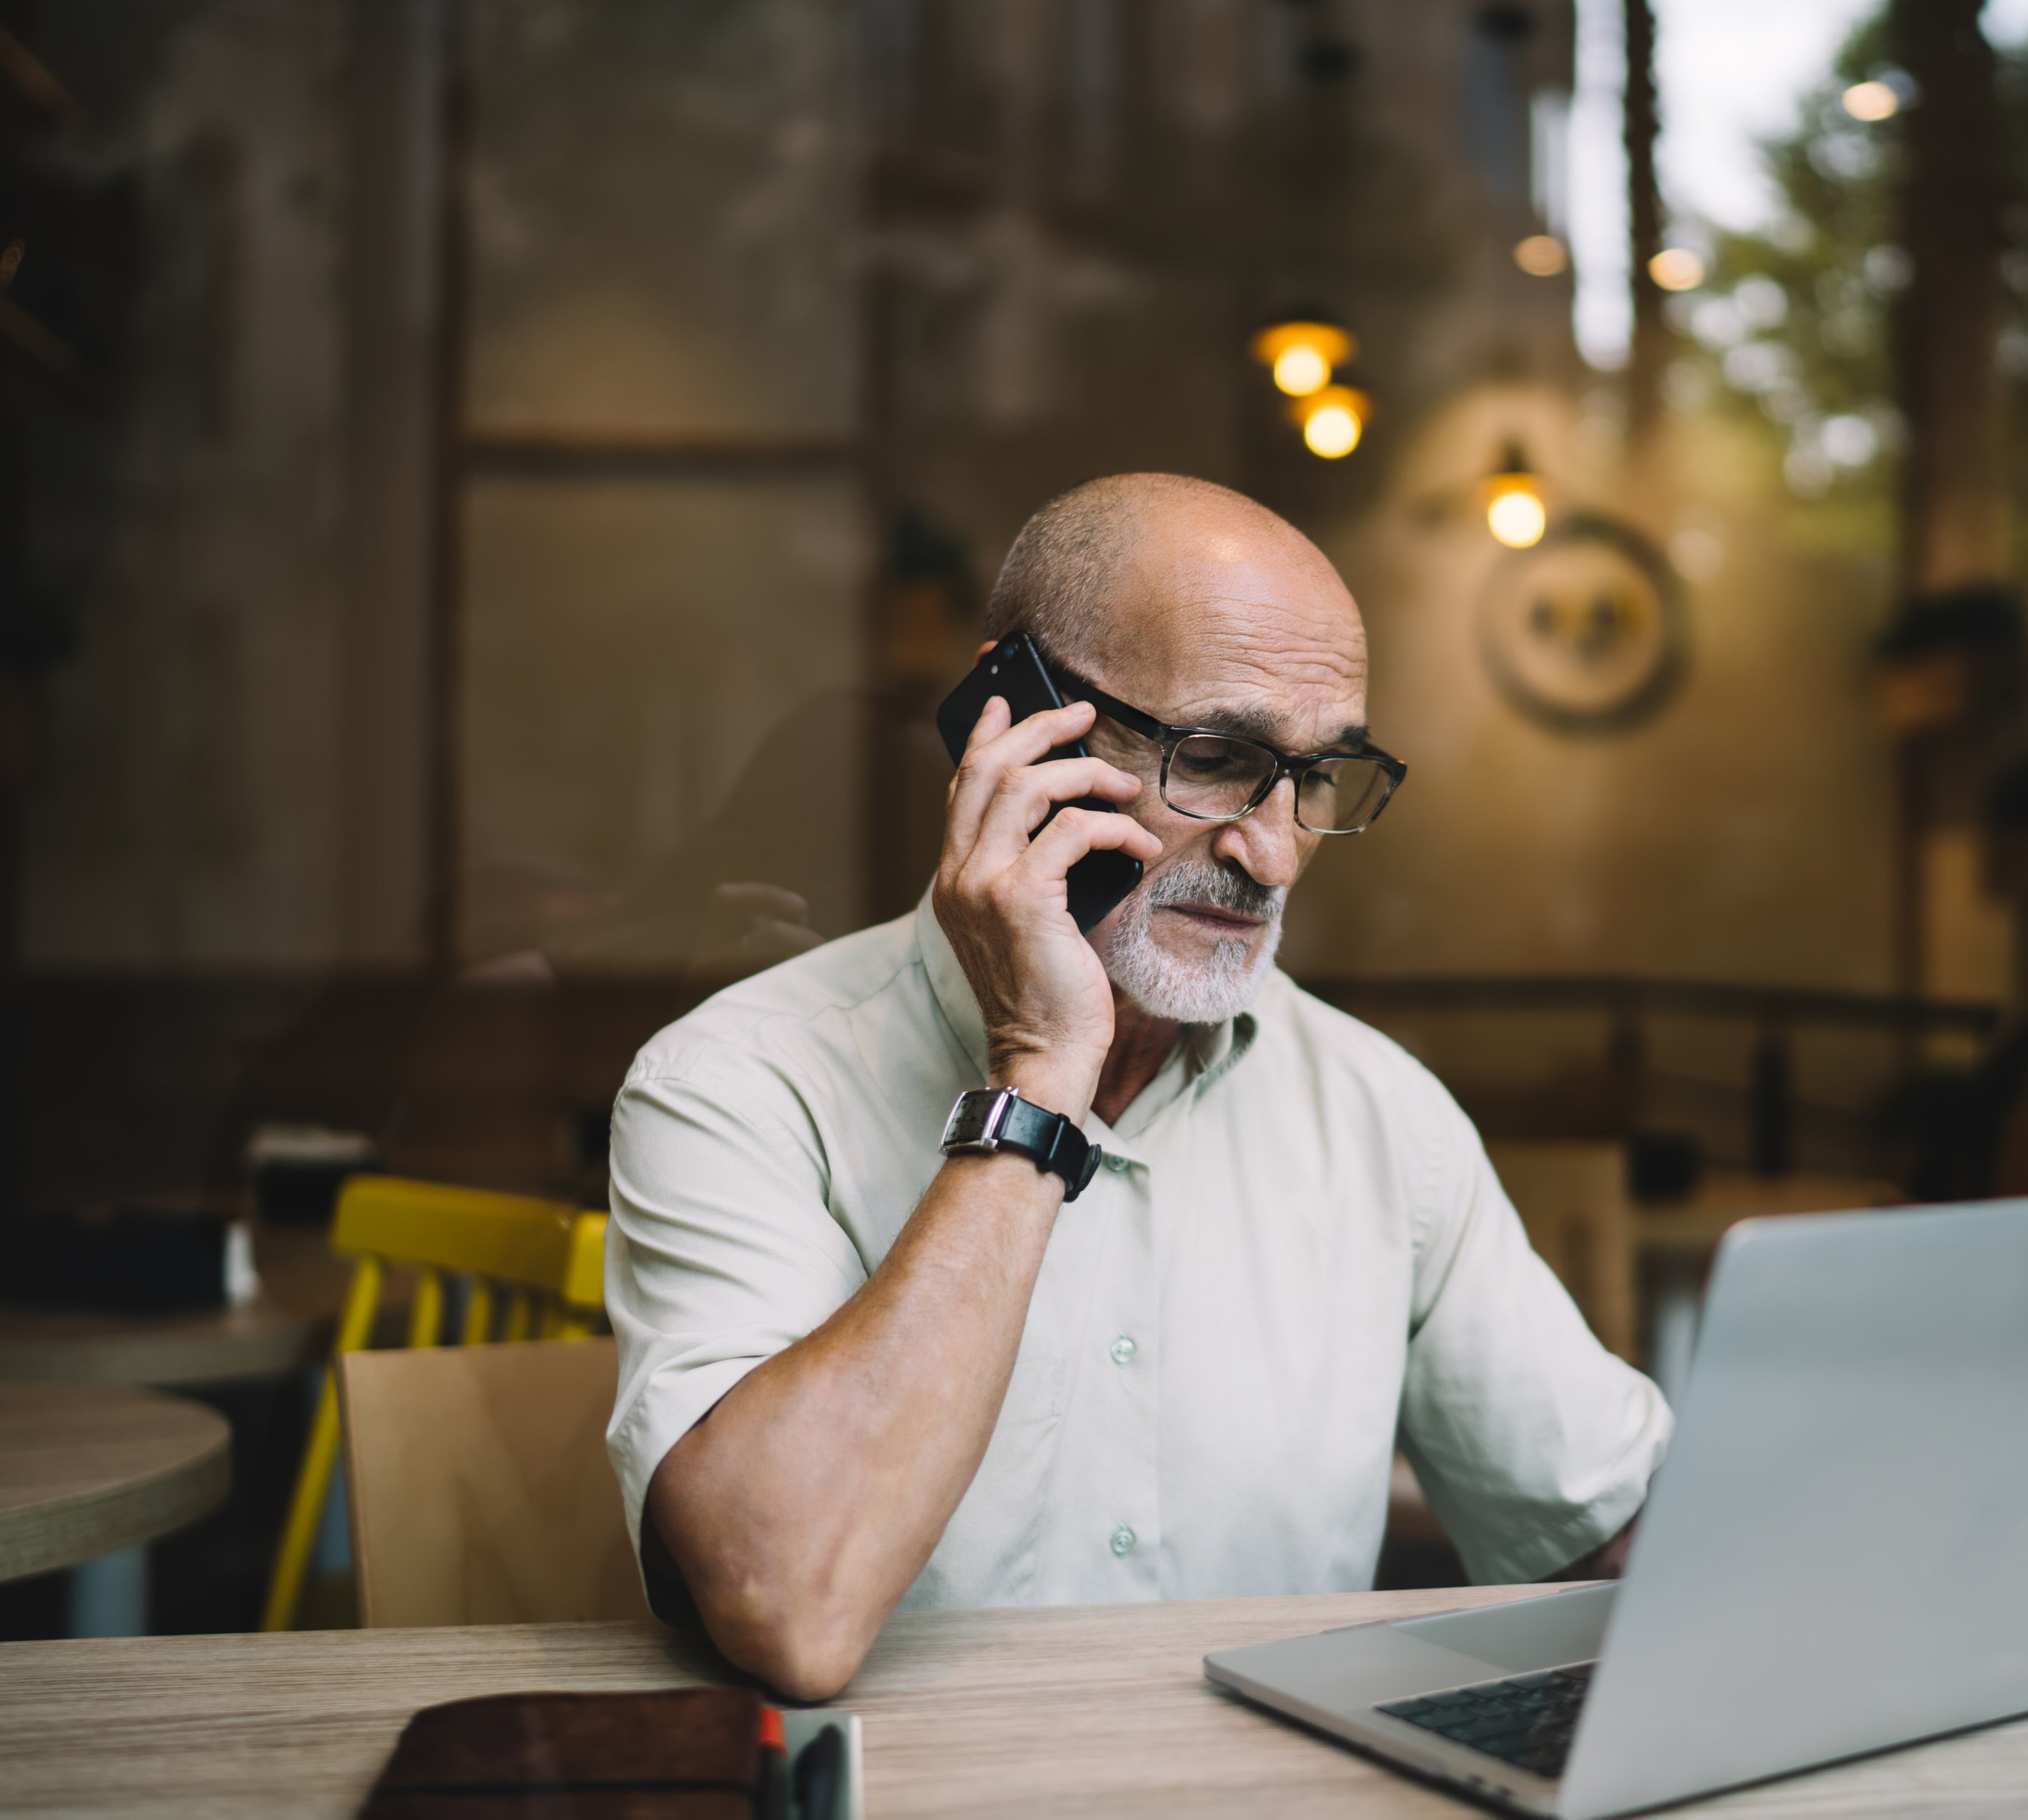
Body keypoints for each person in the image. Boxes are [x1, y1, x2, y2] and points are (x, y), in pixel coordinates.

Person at [605, 473, 1671, 1699]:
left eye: (1319, 778)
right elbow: (789, 1604)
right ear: (1015, 719)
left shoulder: (1382, 1115)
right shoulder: (735, 1085)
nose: (1271, 851)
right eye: (1217, 759)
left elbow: (1609, 1528)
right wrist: (1037, 1080)